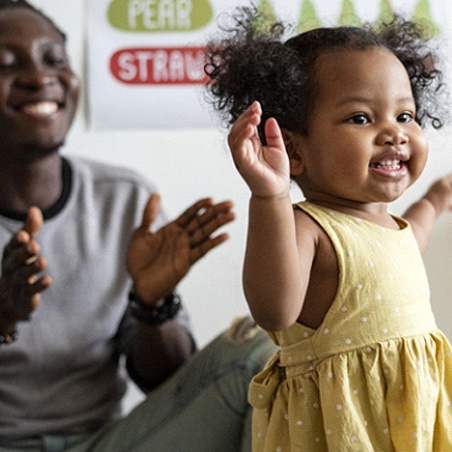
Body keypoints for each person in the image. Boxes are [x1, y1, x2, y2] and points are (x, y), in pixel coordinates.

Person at [0, 1, 277, 451]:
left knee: (261, 351)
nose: (39, 78)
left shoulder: (123, 198)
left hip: (107, 442)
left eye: (54, 60)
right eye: (7, 65)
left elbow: (169, 384)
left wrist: (152, 302)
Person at [205, 6, 452, 451]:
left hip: (409, 424)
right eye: (361, 118)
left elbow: (410, 241)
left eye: (405, 116)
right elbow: (275, 310)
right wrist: (271, 196)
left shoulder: (385, 224)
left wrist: (435, 200)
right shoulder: (309, 227)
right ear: (294, 151)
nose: (394, 134)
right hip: (343, 430)